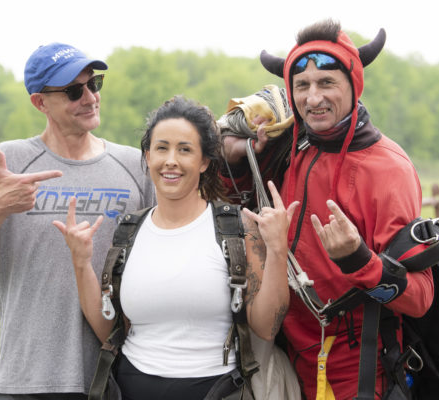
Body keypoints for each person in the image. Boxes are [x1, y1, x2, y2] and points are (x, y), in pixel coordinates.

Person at [220, 19, 434, 399]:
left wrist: (359, 260)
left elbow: (419, 298)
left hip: (360, 371)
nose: (312, 98)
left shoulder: (388, 169)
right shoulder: (291, 146)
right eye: (301, 85)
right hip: (285, 356)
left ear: (353, 86)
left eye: (327, 83)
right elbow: (225, 197)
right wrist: (238, 157)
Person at [0, 43, 155, 399]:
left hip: (113, 376)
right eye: (74, 91)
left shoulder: (134, 165)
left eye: (94, 84)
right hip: (27, 378)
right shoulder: (10, 160)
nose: (90, 97)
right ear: (40, 103)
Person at [53, 95, 297, 399]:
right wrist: (80, 262)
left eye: (185, 150)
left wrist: (275, 250)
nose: (171, 160)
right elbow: (108, 330)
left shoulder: (235, 229)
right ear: (148, 155)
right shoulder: (129, 232)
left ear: (205, 161)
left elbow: (266, 328)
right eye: (162, 148)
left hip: (215, 390)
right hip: (130, 387)